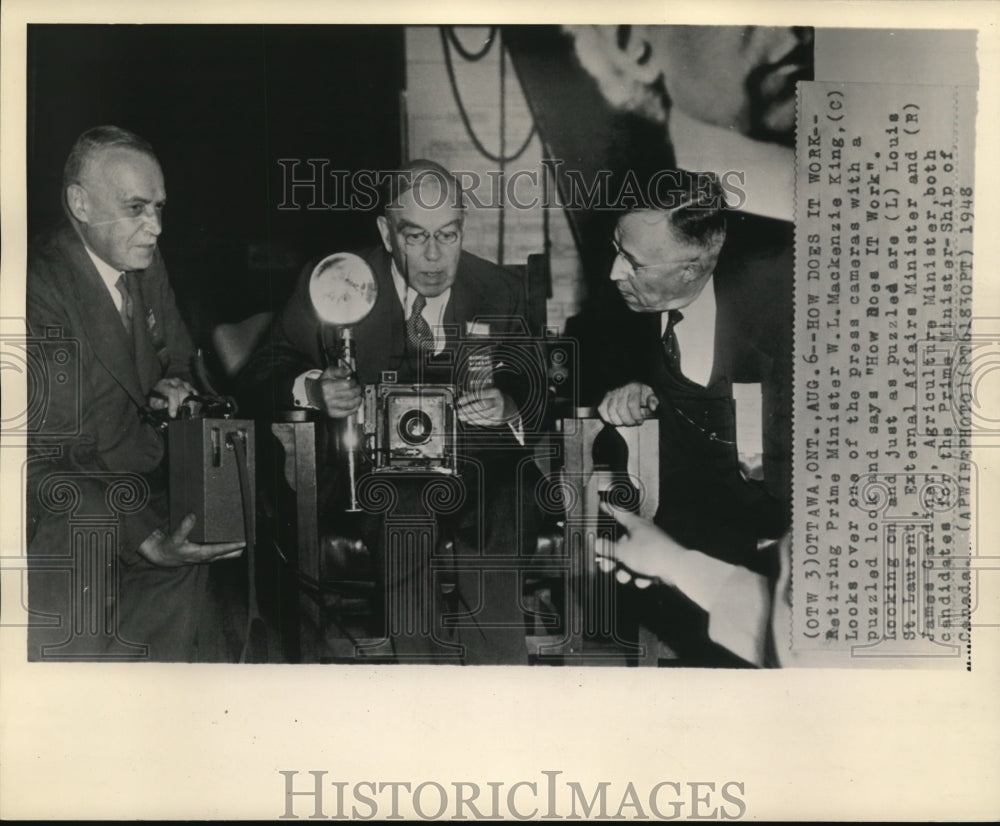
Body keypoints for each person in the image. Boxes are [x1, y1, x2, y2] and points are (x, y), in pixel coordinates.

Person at [238, 159, 545, 664]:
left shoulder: (499, 291)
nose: (433, 256)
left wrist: (508, 403)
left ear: (463, 226)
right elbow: (260, 371)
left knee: (511, 491)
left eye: (448, 235)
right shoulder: (336, 283)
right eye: (414, 236)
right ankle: (419, 686)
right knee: (403, 503)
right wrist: (314, 389)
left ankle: (499, 683)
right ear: (385, 232)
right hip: (380, 470)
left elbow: (535, 388)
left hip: (481, 469)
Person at [26, 125, 245, 662]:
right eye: (136, 208)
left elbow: (176, 354)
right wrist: (147, 538)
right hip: (68, 499)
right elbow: (58, 447)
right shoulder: (36, 285)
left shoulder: (142, 261)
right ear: (80, 202)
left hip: (140, 483)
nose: (156, 227)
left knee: (203, 546)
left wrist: (172, 385)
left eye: (161, 207)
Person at [592, 171, 792, 665]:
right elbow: (599, 399)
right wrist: (627, 403)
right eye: (616, 248)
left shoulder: (788, 309)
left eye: (633, 261)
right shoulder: (624, 306)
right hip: (689, 544)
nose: (614, 272)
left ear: (694, 265)